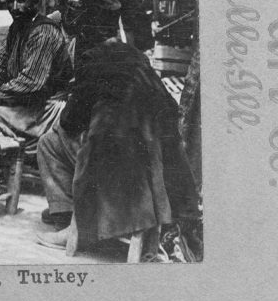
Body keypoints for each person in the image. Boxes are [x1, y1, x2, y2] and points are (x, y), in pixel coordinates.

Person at [35, 28, 198, 256]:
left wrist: (66, 116)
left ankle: (69, 220)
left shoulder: (91, 59)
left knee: (49, 142)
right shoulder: (136, 57)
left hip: (119, 163)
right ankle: (69, 212)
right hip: (158, 164)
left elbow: (71, 120)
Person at [0, 0, 73, 143]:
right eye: (10, 1)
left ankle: (18, 157)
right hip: (25, 102)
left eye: (21, 1)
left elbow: (32, 80)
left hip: (47, 107)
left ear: (35, 1)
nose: (15, 7)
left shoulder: (44, 32)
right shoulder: (18, 27)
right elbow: (0, 65)